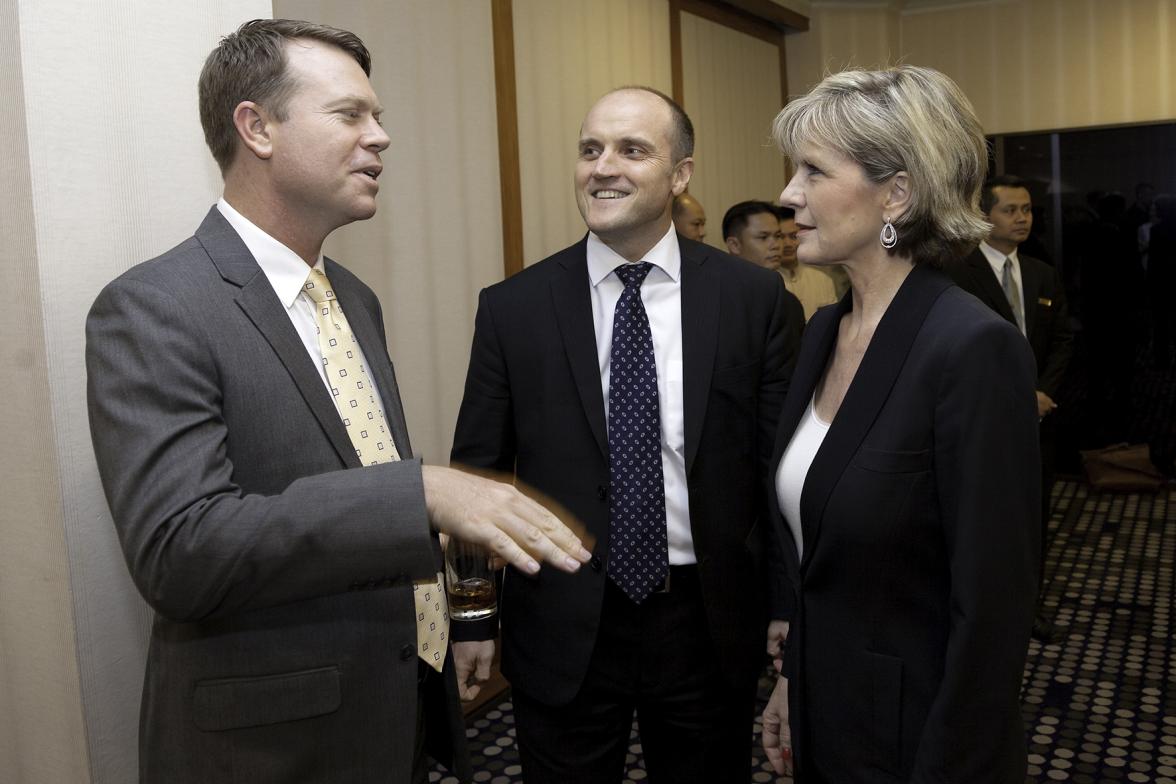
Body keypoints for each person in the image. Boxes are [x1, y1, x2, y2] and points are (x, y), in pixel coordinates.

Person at [85, 19, 589, 784]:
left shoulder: (351, 297)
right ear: (256, 127)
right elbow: (179, 552)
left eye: (377, 116)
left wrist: (460, 613)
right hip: (268, 746)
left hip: (393, 712)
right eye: (350, 114)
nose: (380, 137)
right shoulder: (154, 307)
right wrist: (419, 491)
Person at [450, 86, 798, 783]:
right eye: (590, 150)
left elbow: (778, 473)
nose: (602, 167)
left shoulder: (754, 303)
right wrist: (471, 617)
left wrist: (789, 613)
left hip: (706, 620)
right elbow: (475, 479)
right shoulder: (513, 308)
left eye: (631, 150)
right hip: (561, 617)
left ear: (680, 175)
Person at [759, 66, 1040, 783]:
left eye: (814, 171)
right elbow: (813, 551)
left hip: (917, 737)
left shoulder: (969, 347)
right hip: (829, 712)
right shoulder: (823, 331)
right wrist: (792, 679)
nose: (789, 194)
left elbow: (993, 606)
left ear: (898, 192)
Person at [947, 175, 1074, 640]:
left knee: (1034, 521)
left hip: (1038, 422)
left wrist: (1041, 393)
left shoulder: (1041, 272)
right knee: (981, 522)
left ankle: (1028, 609)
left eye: (1027, 210)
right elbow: (959, 353)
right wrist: (1021, 396)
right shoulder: (956, 273)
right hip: (984, 423)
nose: (1022, 218)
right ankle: (980, 612)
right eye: (1011, 210)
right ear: (984, 217)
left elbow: (1062, 339)